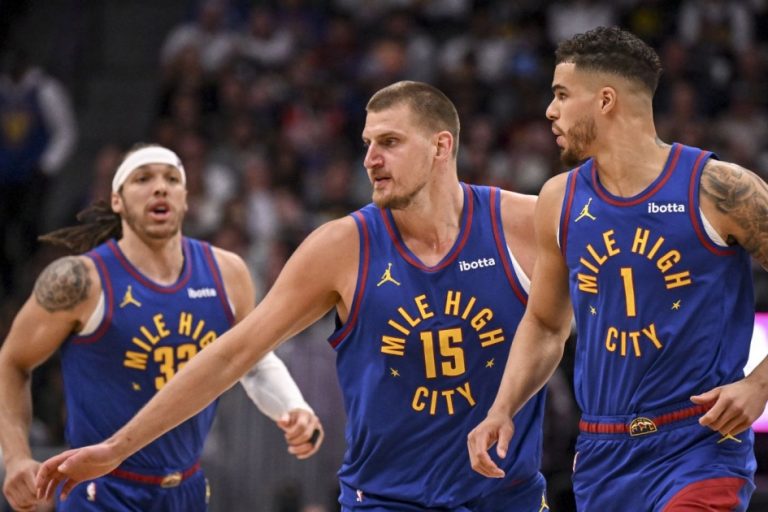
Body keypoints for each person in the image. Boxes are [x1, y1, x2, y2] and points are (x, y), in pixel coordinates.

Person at [35, 81, 550, 511]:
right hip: (391, 501)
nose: (371, 159)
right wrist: (116, 448)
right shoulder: (341, 247)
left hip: (510, 497)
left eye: (390, 142)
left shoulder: (526, 222)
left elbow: (574, 323)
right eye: (367, 143)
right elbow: (234, 353)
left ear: (441, 146)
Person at [467, 26, 768, 511]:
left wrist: (759, 384)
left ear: (605, 100)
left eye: (562, 94)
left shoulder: (719, 189)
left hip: (700, 444)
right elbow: (545, 324)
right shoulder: (559, 199)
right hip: (603, 451)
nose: (550, 110)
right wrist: (502, 410)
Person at [0, 144, 323, 512]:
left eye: (172, 179)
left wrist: (292, 406)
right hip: (102, 490)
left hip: (186, 488)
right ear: (117, 200)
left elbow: (252, 358)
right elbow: (12, 361)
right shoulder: (79, 280)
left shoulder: (228, 272)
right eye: (143, 178)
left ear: (185, 199)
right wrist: (16, 456)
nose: (160, 187)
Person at [0, 47, 77, 299]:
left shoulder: (45, 90)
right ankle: (8, 288)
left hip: (34, 177)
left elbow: (65, 131)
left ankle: (34, 284)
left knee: (31, 229)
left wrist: (46, 165)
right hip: (5, 177)